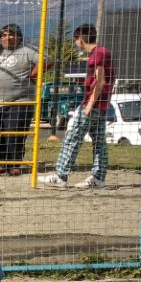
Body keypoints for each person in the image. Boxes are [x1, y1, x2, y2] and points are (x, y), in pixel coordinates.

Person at [42, 24, 113, 189]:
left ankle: (60, 175)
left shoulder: (98, 54)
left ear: (80, 39)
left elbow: (100, 81)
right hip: (101, 105)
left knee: (72, 137)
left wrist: (89, 106)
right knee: (99, 142)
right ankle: (99, 177)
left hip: (93, 104)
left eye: (76, 41)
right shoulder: (103, 52)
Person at [0, 24, 42, 173]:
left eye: (11, 34)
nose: (7, 38)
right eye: (3, 35)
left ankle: (14, 164)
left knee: (13, 133)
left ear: (19, 37)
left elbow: (46, 60)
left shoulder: (27, 51)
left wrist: (34, 75)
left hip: (19, 100)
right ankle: (3, 162)